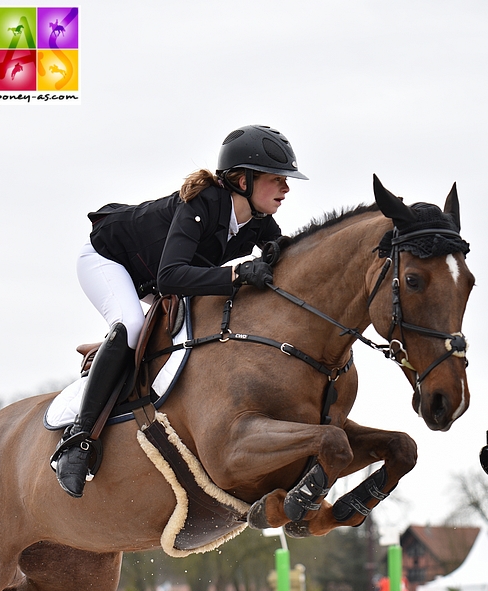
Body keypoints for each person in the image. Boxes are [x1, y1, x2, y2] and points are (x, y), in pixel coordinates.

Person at [51, 125, 307, 499]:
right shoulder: (200, 206)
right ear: (242, 180)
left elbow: (279, 264)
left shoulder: (260, 223)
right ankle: (78, 443)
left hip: (156, 276)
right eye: (277, 179)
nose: (286, 188)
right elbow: (170, 277)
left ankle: (111, 353)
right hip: (108, 260)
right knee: (132, 326)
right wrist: (236, 274)